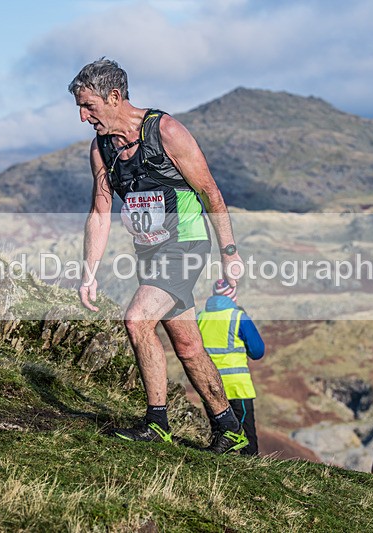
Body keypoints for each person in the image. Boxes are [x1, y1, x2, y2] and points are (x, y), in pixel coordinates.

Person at [68, 58, 248, 454]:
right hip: (150, 253)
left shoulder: (165, 131)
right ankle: (228, 428)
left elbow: (210, 192)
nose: (83, 117)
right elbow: (100, 213)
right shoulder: (102, 149)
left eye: (89, 106)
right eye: (79, 108)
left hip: (186, 245)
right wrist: (89, 274)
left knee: (136, 319)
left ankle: (157, 423)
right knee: (187, 345)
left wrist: (229, 252)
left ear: (114, 97)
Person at [198, 279, 265, 455]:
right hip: (237, 386)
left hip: (209, 385)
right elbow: (258, 351)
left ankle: (218, 472)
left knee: (219, 435)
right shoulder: (238, 316)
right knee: (247, 437)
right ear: (233, 297)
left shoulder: (200, 317)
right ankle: (252, 472)